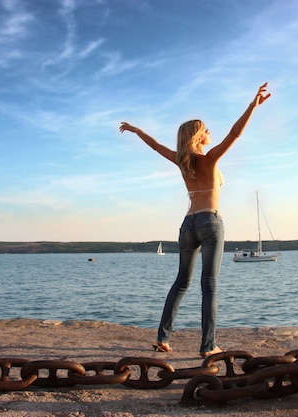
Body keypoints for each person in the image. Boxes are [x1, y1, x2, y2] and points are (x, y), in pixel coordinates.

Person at [119, 82, 271, 357]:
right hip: (210, 223)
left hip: (187, 225)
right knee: (209, 285)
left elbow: (155, 146)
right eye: (206, 130)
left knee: (182, 282)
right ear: (199, 137)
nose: (210, 132)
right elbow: (235, 133)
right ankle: (208, 346)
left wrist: (135, 129)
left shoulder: (181, 160)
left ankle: (163, 338)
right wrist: (252, 106)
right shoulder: (210, 159)